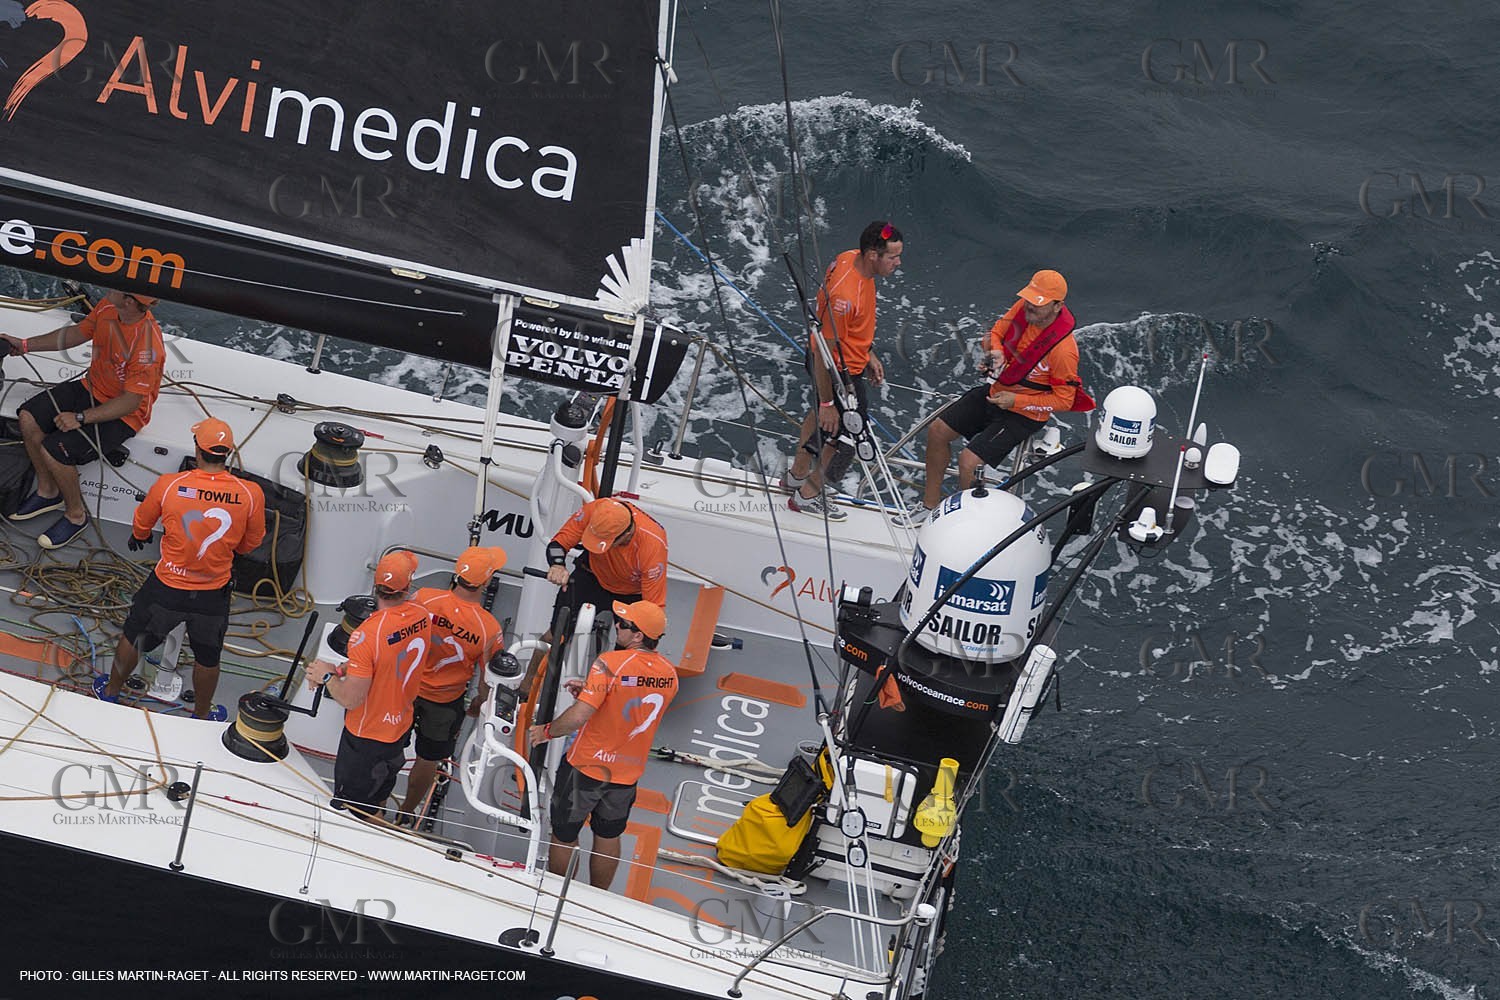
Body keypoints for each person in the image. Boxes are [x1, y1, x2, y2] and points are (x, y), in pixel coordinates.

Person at [94, 419, 265, 720]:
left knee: (135, 638)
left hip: (166, 589)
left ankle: (110, 694)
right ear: (228, 452)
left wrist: (141, 535)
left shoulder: (170, 484)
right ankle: (200, 716)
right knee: (208, 656)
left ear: (198, 450)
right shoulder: (251, 493)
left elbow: (142, 521)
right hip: (213, 593)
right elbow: (250, 544)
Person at [895, 269, 1093, 526]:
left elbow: (1064, 400)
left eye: (1039, 302)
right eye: (1030, 298)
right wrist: (996, 353)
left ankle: (961, 524)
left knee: (967, 461)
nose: (1030, 305)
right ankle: (928, 506)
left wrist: (1016, 401)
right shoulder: (1024, 309)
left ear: (1058, 307)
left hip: (1024, 413)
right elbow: (996, 333)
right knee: (937, 431)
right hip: (996, 393)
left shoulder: (1064, 352)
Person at [525, 600, 677, 890]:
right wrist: (592, 692)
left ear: (638, 636)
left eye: (624, 624)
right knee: (608, 836)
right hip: (627, 775)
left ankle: (558, 894)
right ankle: (598, 897)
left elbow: (580, 716)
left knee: (564, 834)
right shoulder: (670, 674)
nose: (617, 625)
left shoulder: (609, 662)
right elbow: (634, 708)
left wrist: (546, 731)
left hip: (585, 768)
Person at [2, 290, 166, 549]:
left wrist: (80, 417)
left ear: (129, 301)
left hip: (124, 413)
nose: (107, 289)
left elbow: (131, 402)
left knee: (57, 449)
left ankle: (75, 516)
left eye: (116, 288)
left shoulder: (147, 345)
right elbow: (78, 333)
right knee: (28, 417)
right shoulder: (107, 306)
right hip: (90, 387)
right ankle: (48, 491)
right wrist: (24, 345)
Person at [782, 221, 904, 522]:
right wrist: (828, 403)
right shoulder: (845, 298)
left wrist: (868, 351)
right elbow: (825, 351)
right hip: (836, 370)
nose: (898, 263)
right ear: (873, 255)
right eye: (893, 257)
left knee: (820, 420)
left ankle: (795, 477)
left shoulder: (850, 257)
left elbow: (848, 330)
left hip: (845, 358)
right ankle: (807, 496)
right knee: (849, 440)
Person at [304, 550, 433, 819]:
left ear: (375, 586)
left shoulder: (366, 635)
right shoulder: (421, 615)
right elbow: (383, 662)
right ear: (407, 586)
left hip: (367, 739)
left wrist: (327, 676)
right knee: (379, 794)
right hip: (399, 726)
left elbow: (351, 699)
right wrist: (341, 669)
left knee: (356, 812)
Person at [397, 546, 507, 824]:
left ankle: (372, 805)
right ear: (485, 583)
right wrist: (479, 702)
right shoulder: (489, 628)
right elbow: (486, 679)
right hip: (445, 703)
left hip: (403, 690)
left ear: (457, 574)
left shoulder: (423, 599)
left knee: (389, 746)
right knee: (428, 759)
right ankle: (407, 812)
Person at [520, 496, 667, 695]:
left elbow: (652, 609)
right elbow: (558, 544)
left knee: (630, 649)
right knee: (557, 633)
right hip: (591, 575)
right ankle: (526, 687)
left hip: (630, 594)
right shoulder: (597, 510)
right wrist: (557, 565)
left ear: (626, 534)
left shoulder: (652, 546)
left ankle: (608, 695)